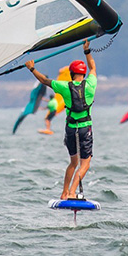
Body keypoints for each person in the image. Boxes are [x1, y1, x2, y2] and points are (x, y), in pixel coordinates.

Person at [26, 39, 96, 200]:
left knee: (73, 162)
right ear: (83, 74)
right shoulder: (91, 84)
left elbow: (44, 80)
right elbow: (93, 67)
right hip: (85, 129)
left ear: (71, 74)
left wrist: (32, 69)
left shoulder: (64, 87)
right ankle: (72, 192)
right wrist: (87, 51)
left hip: (71, 129)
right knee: (85, 164)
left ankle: (64, 193)